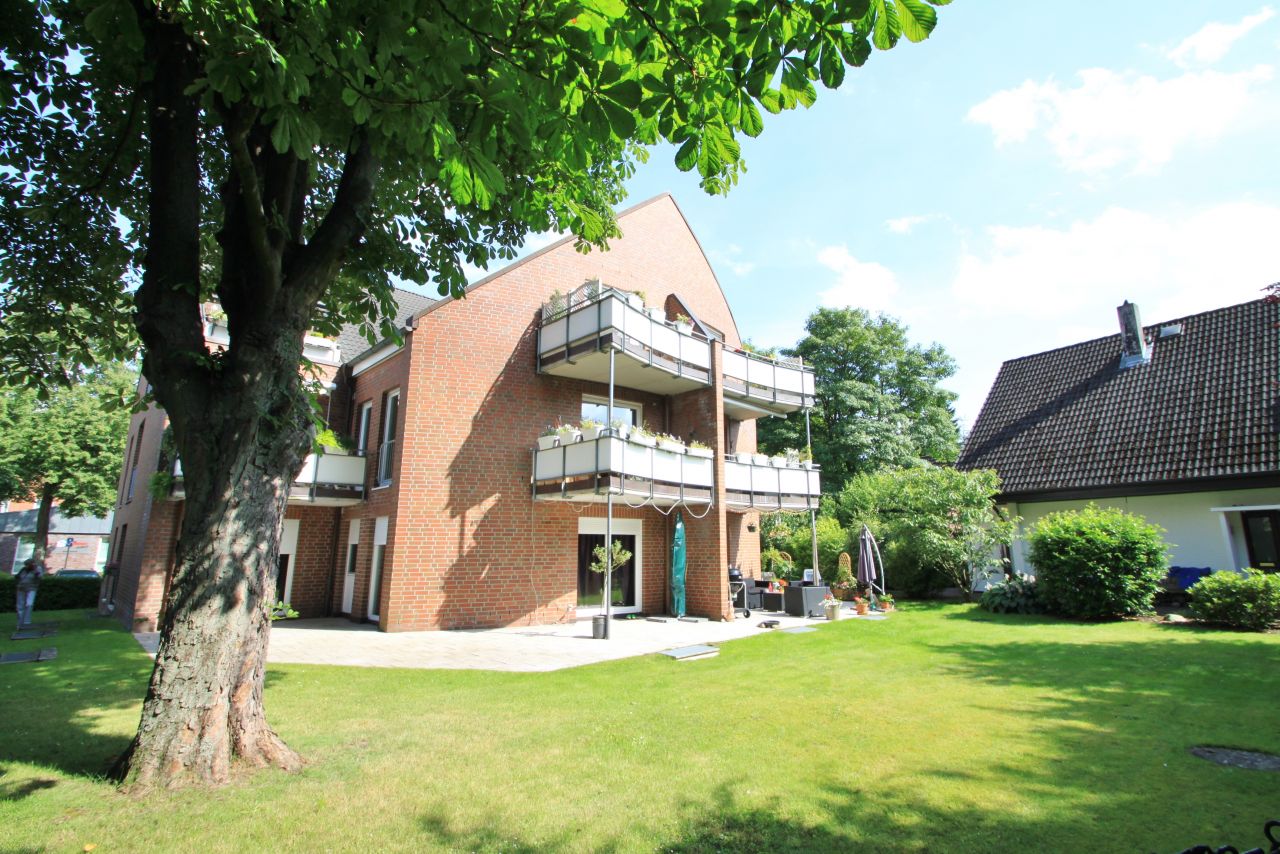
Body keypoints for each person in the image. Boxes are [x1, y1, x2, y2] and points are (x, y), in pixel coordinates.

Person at [15, 557, 44, 628]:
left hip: (31, 589)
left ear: (32, 564)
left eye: (28, 565)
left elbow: (40, 577)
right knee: (20, 606)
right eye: (26, 565)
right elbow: (18, 577)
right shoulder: (23, 569)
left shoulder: (37, 569)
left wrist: (35, 571)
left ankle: (27, 622)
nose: (27, 566)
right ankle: (20, 623)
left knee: (29, 604)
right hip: (21, 589)